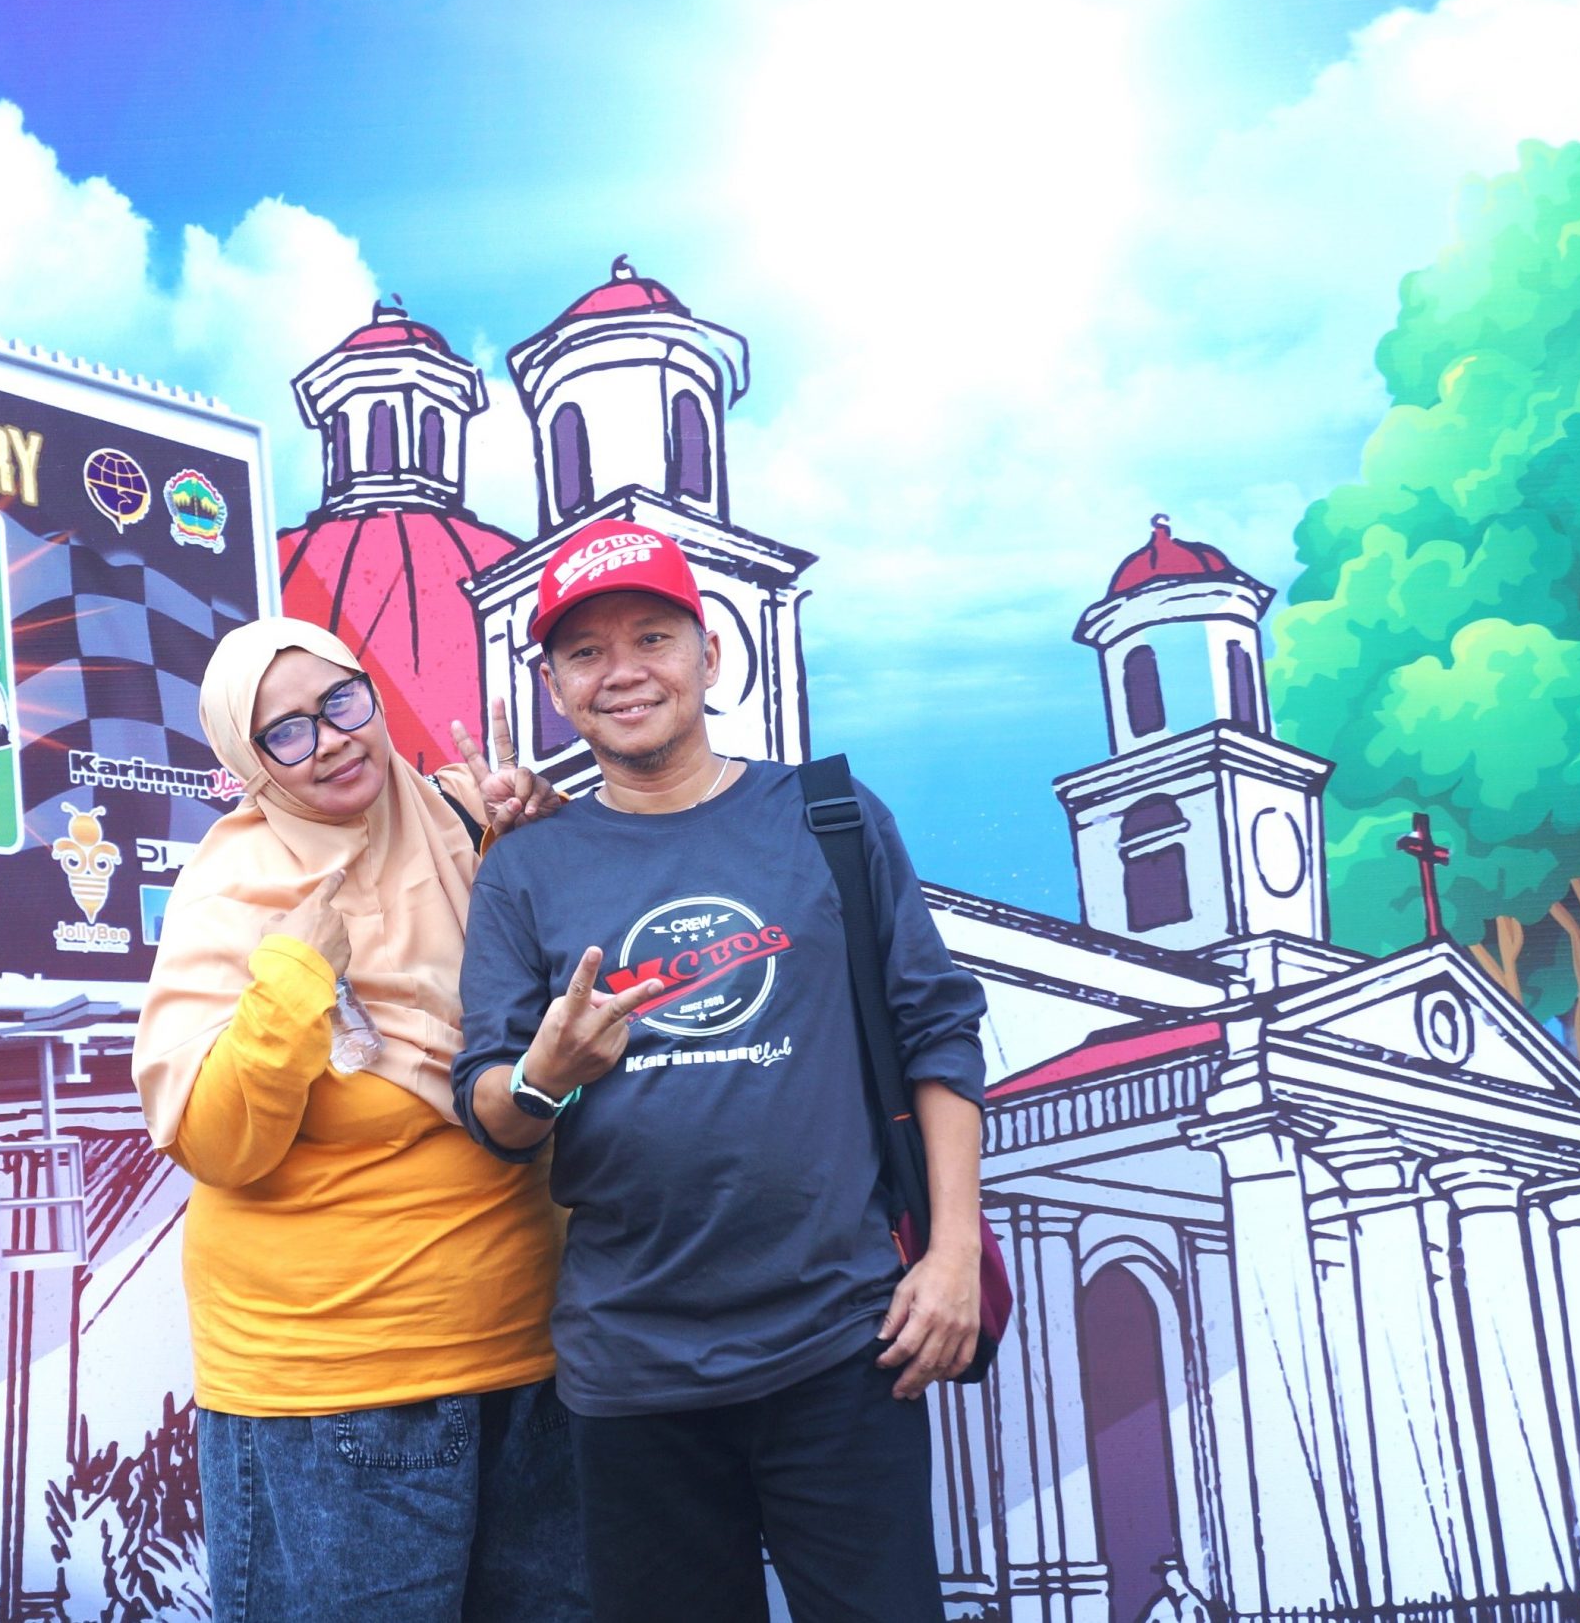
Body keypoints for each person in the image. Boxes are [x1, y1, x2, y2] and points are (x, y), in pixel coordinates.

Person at [451, 520, 990, 1622]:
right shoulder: (526, 870)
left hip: (846, 1344)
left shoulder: (828, 817)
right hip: (632, 1373)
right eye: (586, 652)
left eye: (652, 637)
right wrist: (547, 1073)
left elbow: (937, 1034)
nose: (623, 672)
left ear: (710, 653)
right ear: (555, 688)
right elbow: (492, 1111)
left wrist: (951, 1256)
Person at [136, 617, 586, 1623]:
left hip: (537, 1355)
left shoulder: (462, 821)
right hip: (337, 1386)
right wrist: (295, 978)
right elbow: (214, 1143)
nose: (332, 740)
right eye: (286, 731)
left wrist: (537, 847)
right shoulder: (233, 893)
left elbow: (560, 1018)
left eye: (342, 701)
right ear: (245, 757)